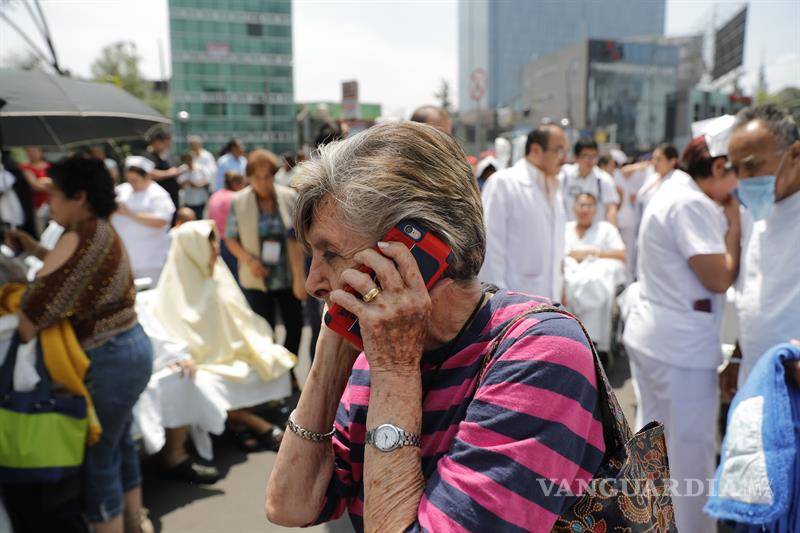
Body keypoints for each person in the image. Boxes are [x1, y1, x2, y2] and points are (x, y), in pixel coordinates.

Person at [265, 122, 606, 532]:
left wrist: (395, 370)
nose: (313, 282)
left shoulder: (543, 353)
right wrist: (329, 359)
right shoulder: (374, 352)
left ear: (417, 250)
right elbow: (290, 506)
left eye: (330, 254)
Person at [10, 156, 152, 533]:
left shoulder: (79, 237)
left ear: (79, 197)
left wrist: (26, 278)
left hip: (110, 359)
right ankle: (134, 522)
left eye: (54, 194)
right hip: (130, 349)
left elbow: (32, 315)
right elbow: (76, 275)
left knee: (98, 458)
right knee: (118, 445)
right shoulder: (99, 230)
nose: (48, 203)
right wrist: (35, 250)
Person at [622, 134, 740, 533]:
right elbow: (718, 276)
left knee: (656, 448)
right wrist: (735, 227)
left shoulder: (675, 190)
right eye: (740, 173)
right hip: (679, 349)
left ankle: (652, 523)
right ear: (719, 167)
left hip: (662, 339)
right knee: (689, 456)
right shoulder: (689, 202)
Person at [134, 221, 295, 483]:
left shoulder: (216, 278)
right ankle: (251, 423)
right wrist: (183, 355)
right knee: (198, 383)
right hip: (197, 361)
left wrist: (252, 344)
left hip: (226, 354)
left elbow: (240, 321)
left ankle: (239, 422)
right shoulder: (171, 290)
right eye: (208, 243)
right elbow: (169, 336)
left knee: (268, 359)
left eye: (214, 241)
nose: (216, 249)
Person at [719, 104, 800, 397]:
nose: (743, 178)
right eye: (736, 168)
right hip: (753, 377)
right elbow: (752, 292)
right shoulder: (756, 212)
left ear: (795, 154)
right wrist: (738, 355)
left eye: (751, 165)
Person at [225, 149, 307, 357]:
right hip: (257, 275)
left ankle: (288, 366)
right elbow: (230, 238)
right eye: (257, 177)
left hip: (287, 275)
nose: (263, 182)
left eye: (267, 176)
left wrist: (300, 278)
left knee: (295, 326)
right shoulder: (239, 201)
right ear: (249, 177)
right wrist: (249, 261)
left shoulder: (289, 197)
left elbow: (298, 238)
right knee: (264, 330)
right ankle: (272, 370)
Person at [480, 123, 568, 300]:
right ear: (535, 150)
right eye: (559, 151)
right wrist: (498, 302)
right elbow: (489, 249)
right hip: (512, 304)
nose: (564, 159)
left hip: (549, 304)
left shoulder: (555, 188)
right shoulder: (504, 183)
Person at [563, 193, 626, 358]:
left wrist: (592, 253)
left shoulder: (606, 229)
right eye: (581, 205)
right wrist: (573, 256)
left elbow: (621, 254)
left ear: (595, 209)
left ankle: (594, 341)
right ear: (574, 207)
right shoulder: (565, 229)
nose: (585, 209)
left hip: (596, 279)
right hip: (569, 278)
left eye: (589, 205)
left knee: (594, 281)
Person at [112, 156, 175, 283]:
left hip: (150, 261)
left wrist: (130, 214)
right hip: (124, 259)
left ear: (147, 177)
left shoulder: (158, 194)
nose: (132, 184)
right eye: (129, 180)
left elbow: (161, 220)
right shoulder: (122, 190)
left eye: (135, 180)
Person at [560, 138, 620, 225]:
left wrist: (612, 231)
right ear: (576, 157)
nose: (590, 160)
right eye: (585, 156)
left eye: (593, 156)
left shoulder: (604, 180)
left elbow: (611, 210)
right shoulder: (564, 175)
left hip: (595, 231)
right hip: (568, 230)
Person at [206, 171, 245, 279]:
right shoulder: (235, 197)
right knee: (235, 277)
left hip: (215, 240)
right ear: (236, 184)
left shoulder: (215, 195)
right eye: (242, 184)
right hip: (230, 242)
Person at [142, 131, 187, 213]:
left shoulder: (163, 155)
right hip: (160, 199)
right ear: (157, 142)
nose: (167, 147)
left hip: (171, 196)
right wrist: (169, 173)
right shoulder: (148, 156)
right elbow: (149, 173)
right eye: (165, 144)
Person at [177, 152, 211, 220]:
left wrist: (198, 185)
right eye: (186, 160)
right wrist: (186, 182)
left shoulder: (201, 168)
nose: (188, 161)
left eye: (189, 159)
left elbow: (208, 181)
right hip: (188, 200)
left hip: (200, 199)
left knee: (200, 218)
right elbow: (179, 183)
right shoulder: (182, 169)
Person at [18, 146, 51, 213]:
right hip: (34, 205)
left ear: (41, 152)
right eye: (29, 151)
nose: (32, 154)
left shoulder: (50, 166)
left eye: (34, 151)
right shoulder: (24, 167)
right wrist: (50, 183)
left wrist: (40, 182)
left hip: (49, 203)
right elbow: (35, 186)